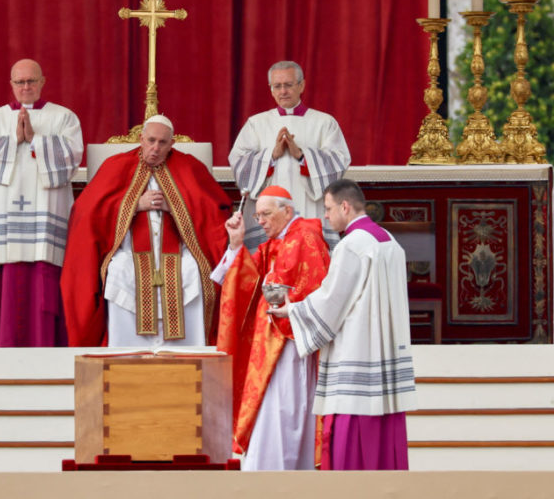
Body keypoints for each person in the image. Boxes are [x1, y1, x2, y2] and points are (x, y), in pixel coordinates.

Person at [270, 178, 416, 470]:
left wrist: (292, 311)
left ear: (345, 206)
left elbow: (332, 300)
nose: (325, 215)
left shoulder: (352, 245)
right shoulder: (389, 241)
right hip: (384, 354)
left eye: (328, 208)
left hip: (357, 351)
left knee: (352, 438)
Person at [61, 115, 230, 347]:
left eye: (162, 143)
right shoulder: (116, 166)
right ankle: (124, 352)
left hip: (180, 253)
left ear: (172, 144)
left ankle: (189, 353)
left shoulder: (190, 167)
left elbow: (213, 211)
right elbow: (87, 213)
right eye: (150, 140)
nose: (155, 148)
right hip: (129, 252)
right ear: (141, 139)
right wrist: (133, 205)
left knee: (193, 272)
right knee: (119, 270)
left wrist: (175, 207)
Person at [211, 185, 330, 471]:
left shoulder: (304, 237)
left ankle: (280, 470)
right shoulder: (279, 240)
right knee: (275, 407)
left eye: (265, 214)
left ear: (286, 210)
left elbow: (311, 286)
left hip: (290, 343)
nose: (260, 221)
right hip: (272, 343)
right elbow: (249, 279)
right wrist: (236, 243)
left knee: (286, 408)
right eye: (257, 216)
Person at [0, 58, 83, 347]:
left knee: (45, 273)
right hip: (5, 212)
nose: (26, 87)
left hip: (46, 214)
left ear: (42, 82)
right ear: (11, 85)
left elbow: (71, 159)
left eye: (32, 81)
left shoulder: (63, 117)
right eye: (20, 82)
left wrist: (35, 139)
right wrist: (13, 140)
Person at [229, 60, 350, 249]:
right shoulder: (256, 123)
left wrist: (302, 156)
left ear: (301, 85)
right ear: (270, 89)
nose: (283, 91)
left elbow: (338, 161)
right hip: (269, 208)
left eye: (288, 85)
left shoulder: (324, 122)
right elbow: (238, 161)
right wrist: (271, 156)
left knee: (309, 262)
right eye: (277, 86)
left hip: (310, 207)